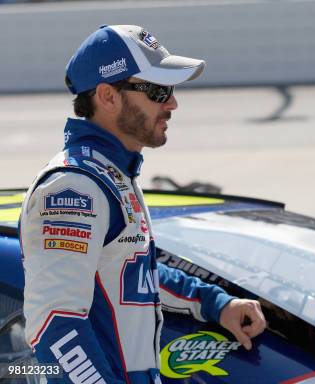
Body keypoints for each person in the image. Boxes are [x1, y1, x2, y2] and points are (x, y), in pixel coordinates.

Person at [19, 25, 266, 383]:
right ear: (107, 96)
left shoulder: (111, 175)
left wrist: (214, 303)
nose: (172, 103)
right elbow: (55, 324)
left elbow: (130, 274)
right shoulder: (73, 188)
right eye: (157, 90)